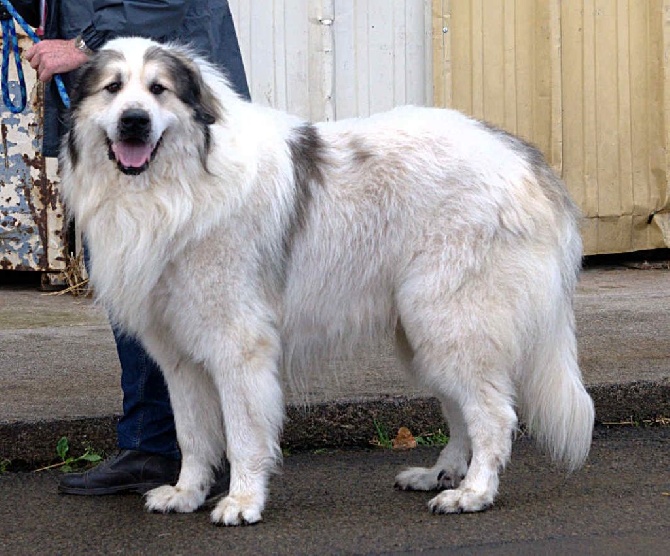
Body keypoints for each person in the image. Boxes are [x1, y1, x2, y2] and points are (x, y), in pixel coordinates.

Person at [10, 0, 250, 495]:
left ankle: (180, 450)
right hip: (114, 107)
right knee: (141, 299)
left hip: (171, 113)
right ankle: (175, 449)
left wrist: (81, 46)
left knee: (203, 310)